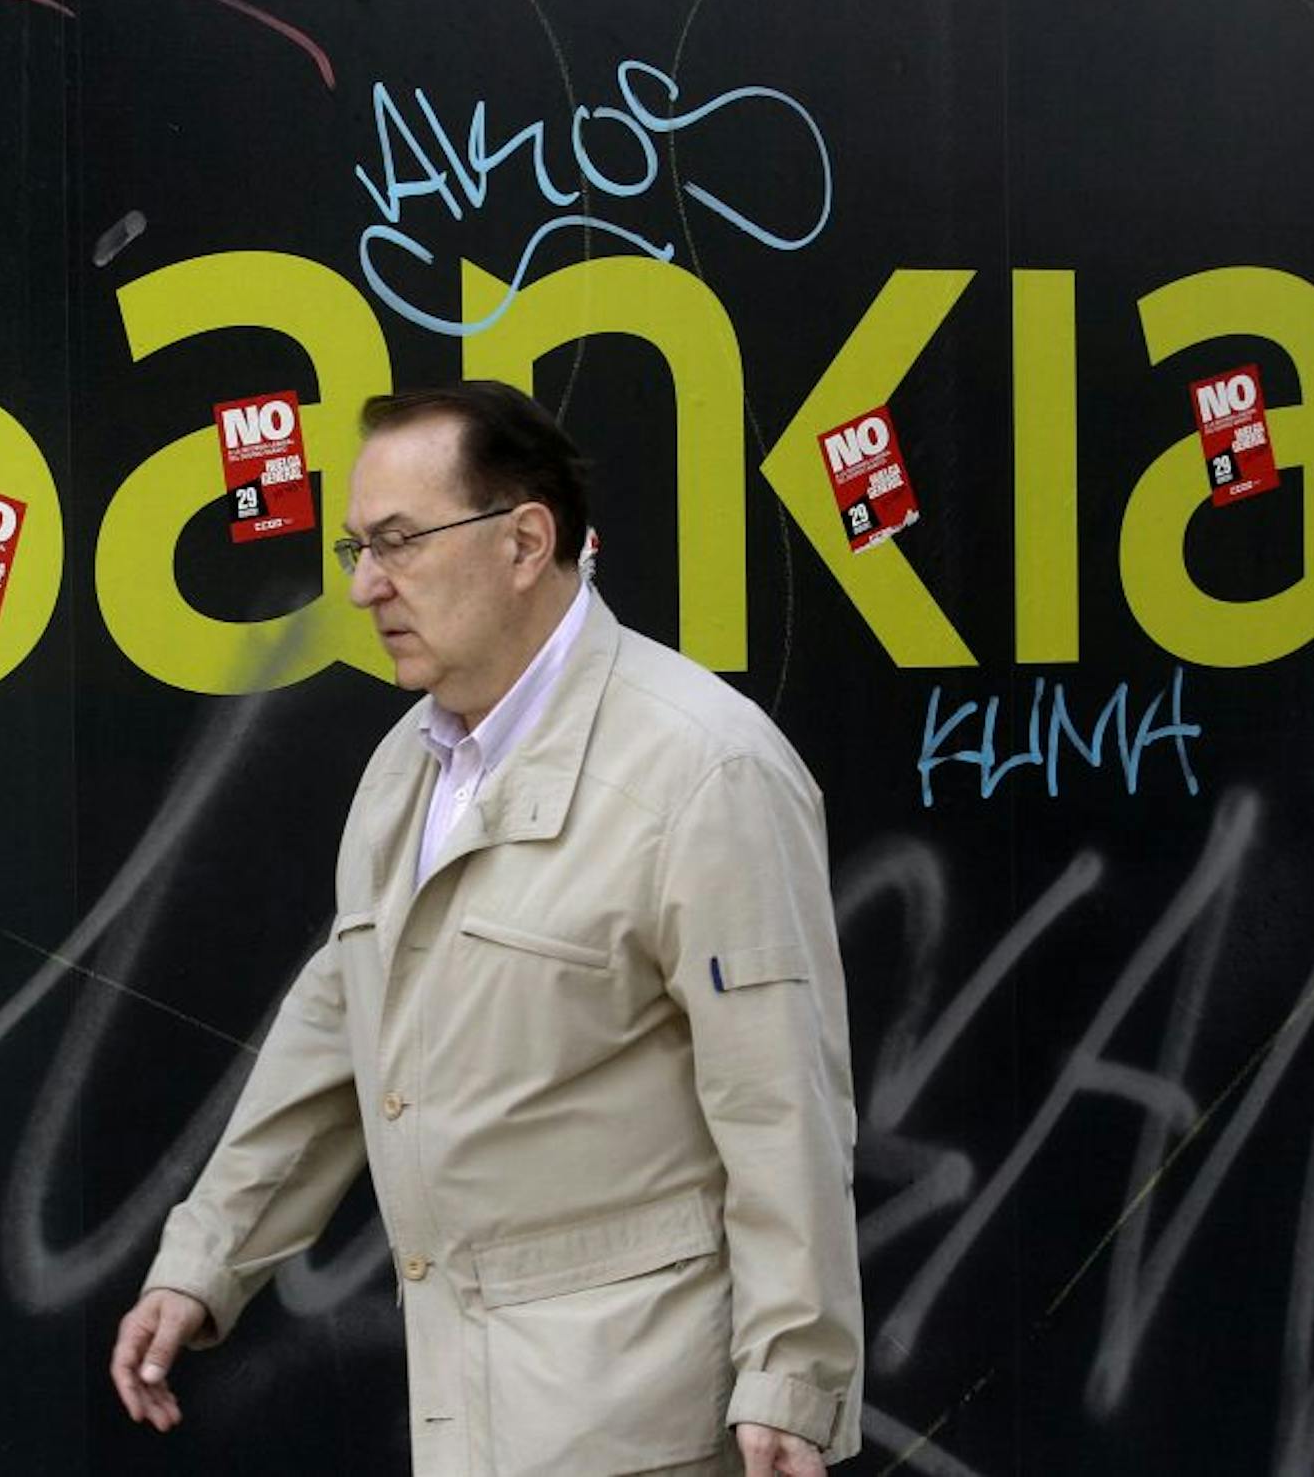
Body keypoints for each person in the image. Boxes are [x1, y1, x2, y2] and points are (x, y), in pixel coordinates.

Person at [110, 381, 862, 1476]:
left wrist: (793, 1379)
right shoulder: (407, 767)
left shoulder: (703, 769)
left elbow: (782, 1101)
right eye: (355, 547)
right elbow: (341, 1026)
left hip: (648, 1431)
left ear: (525, 540)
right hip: (469, 1418)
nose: (366, 584)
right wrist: (205, 1260)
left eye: (401, 543)